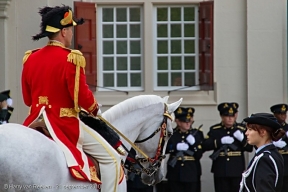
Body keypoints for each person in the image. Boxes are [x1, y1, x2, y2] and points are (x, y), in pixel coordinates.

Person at [21, 5, 121, 192]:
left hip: (34, 121)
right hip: (63, 123)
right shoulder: (71, 58)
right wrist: (94, 109)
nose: (72, 34)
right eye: (71, 30)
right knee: (112, 159)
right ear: (64, 31)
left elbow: (27, 99)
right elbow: (82, 96)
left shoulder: (30, 58)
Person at [202, 102, 253, 192]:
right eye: (227, 116)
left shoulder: (242, 129)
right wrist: (219, 142)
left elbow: (249, 148)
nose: (230, 118)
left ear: (236, 116)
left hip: (236, 168)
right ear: (221, 116)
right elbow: (205, 145)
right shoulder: (215, 129)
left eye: (232, 116)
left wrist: (242, 139)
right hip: (220, 169)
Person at [239, 113, 285, 192]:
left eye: (250, 129)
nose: (246, 133)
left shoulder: (265, 158)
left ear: (262, 132)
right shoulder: (268, 154)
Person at [165, 107, 204, 192]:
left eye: (189, 121)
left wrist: (194, 144)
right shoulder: (171, 134)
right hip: (175, 172)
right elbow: (164, 149)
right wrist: (175, 147)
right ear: (178, 121)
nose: (188, 124)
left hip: (191, 172)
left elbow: (199, 154)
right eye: (185, 121)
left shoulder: (197, 134)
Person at [270, 104, 288, 192]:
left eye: (284, 114)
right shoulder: (270, 128)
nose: (283, 116)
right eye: (280, 114)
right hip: (274, 161)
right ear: (275, 115)